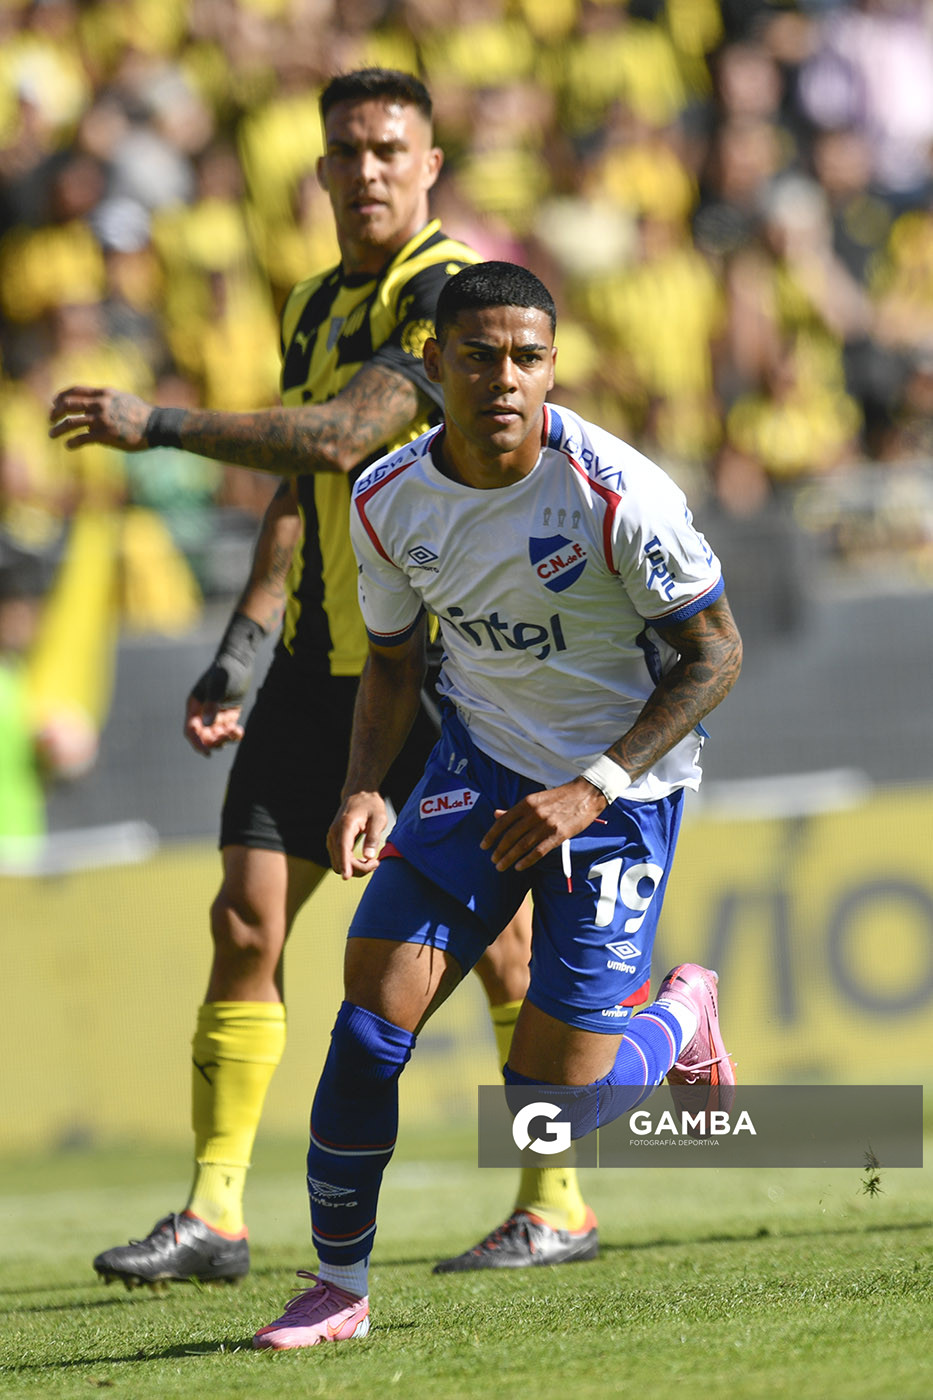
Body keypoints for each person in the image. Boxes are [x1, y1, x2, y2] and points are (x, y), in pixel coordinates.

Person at [48, 69, 596, 1285]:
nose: (367, 171)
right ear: (318, 169)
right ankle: (216, 1215)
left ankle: (554, 1196)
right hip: (316, 664)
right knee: (244, 914)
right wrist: (244, 642)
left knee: (501, 950)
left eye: (389, 147)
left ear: (432, 161)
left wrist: (164, 425)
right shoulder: (306, 302)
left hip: (440, 665)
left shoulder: (449, 296)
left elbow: (350, 435)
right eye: (345, 150)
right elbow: (308, 491)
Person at [251, 261, 743, 1350]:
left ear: (553, 366)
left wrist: (594, 785)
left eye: (527, 356)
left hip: (618, 793)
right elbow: (390, 659)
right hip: (480, 768)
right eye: (479, 355)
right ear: (435, 365)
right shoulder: (388, 501)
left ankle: (679, 1015)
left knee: (547, 1109)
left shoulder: (619, 493)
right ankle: (340, 1286)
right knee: (369, 1021)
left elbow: (715, 656)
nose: (504, 377)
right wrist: (366, 785)